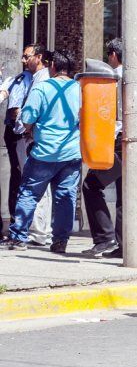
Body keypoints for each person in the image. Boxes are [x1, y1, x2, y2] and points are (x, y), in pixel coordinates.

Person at [0, 49, 82, 253]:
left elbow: (27, 119)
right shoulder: (79, 89)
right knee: (65, 197)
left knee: (28, 193)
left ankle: (18, 237)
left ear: (52, 65)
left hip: (44, 151)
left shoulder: (42, 88)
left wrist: (30, 128)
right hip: (71, 153)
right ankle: (60, 241)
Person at [0, 44, 53, 245]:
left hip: (33, 136)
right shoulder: (23, 78)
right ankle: (30, 230)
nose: (23, 60)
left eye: (26, 56)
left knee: (36, 183)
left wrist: (24, 121)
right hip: (22, 135)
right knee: (25, 180)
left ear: (38, 57)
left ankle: (38, 232)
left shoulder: (44, 79)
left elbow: (35, 110)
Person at [82, 38, 125, 258]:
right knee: (124, 194)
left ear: (113, 55)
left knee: (90, 185)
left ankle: (104, 238)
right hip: (130, 143)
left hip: (117, 143)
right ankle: (123, 245)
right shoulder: (135, 78)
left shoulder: (112, 79)